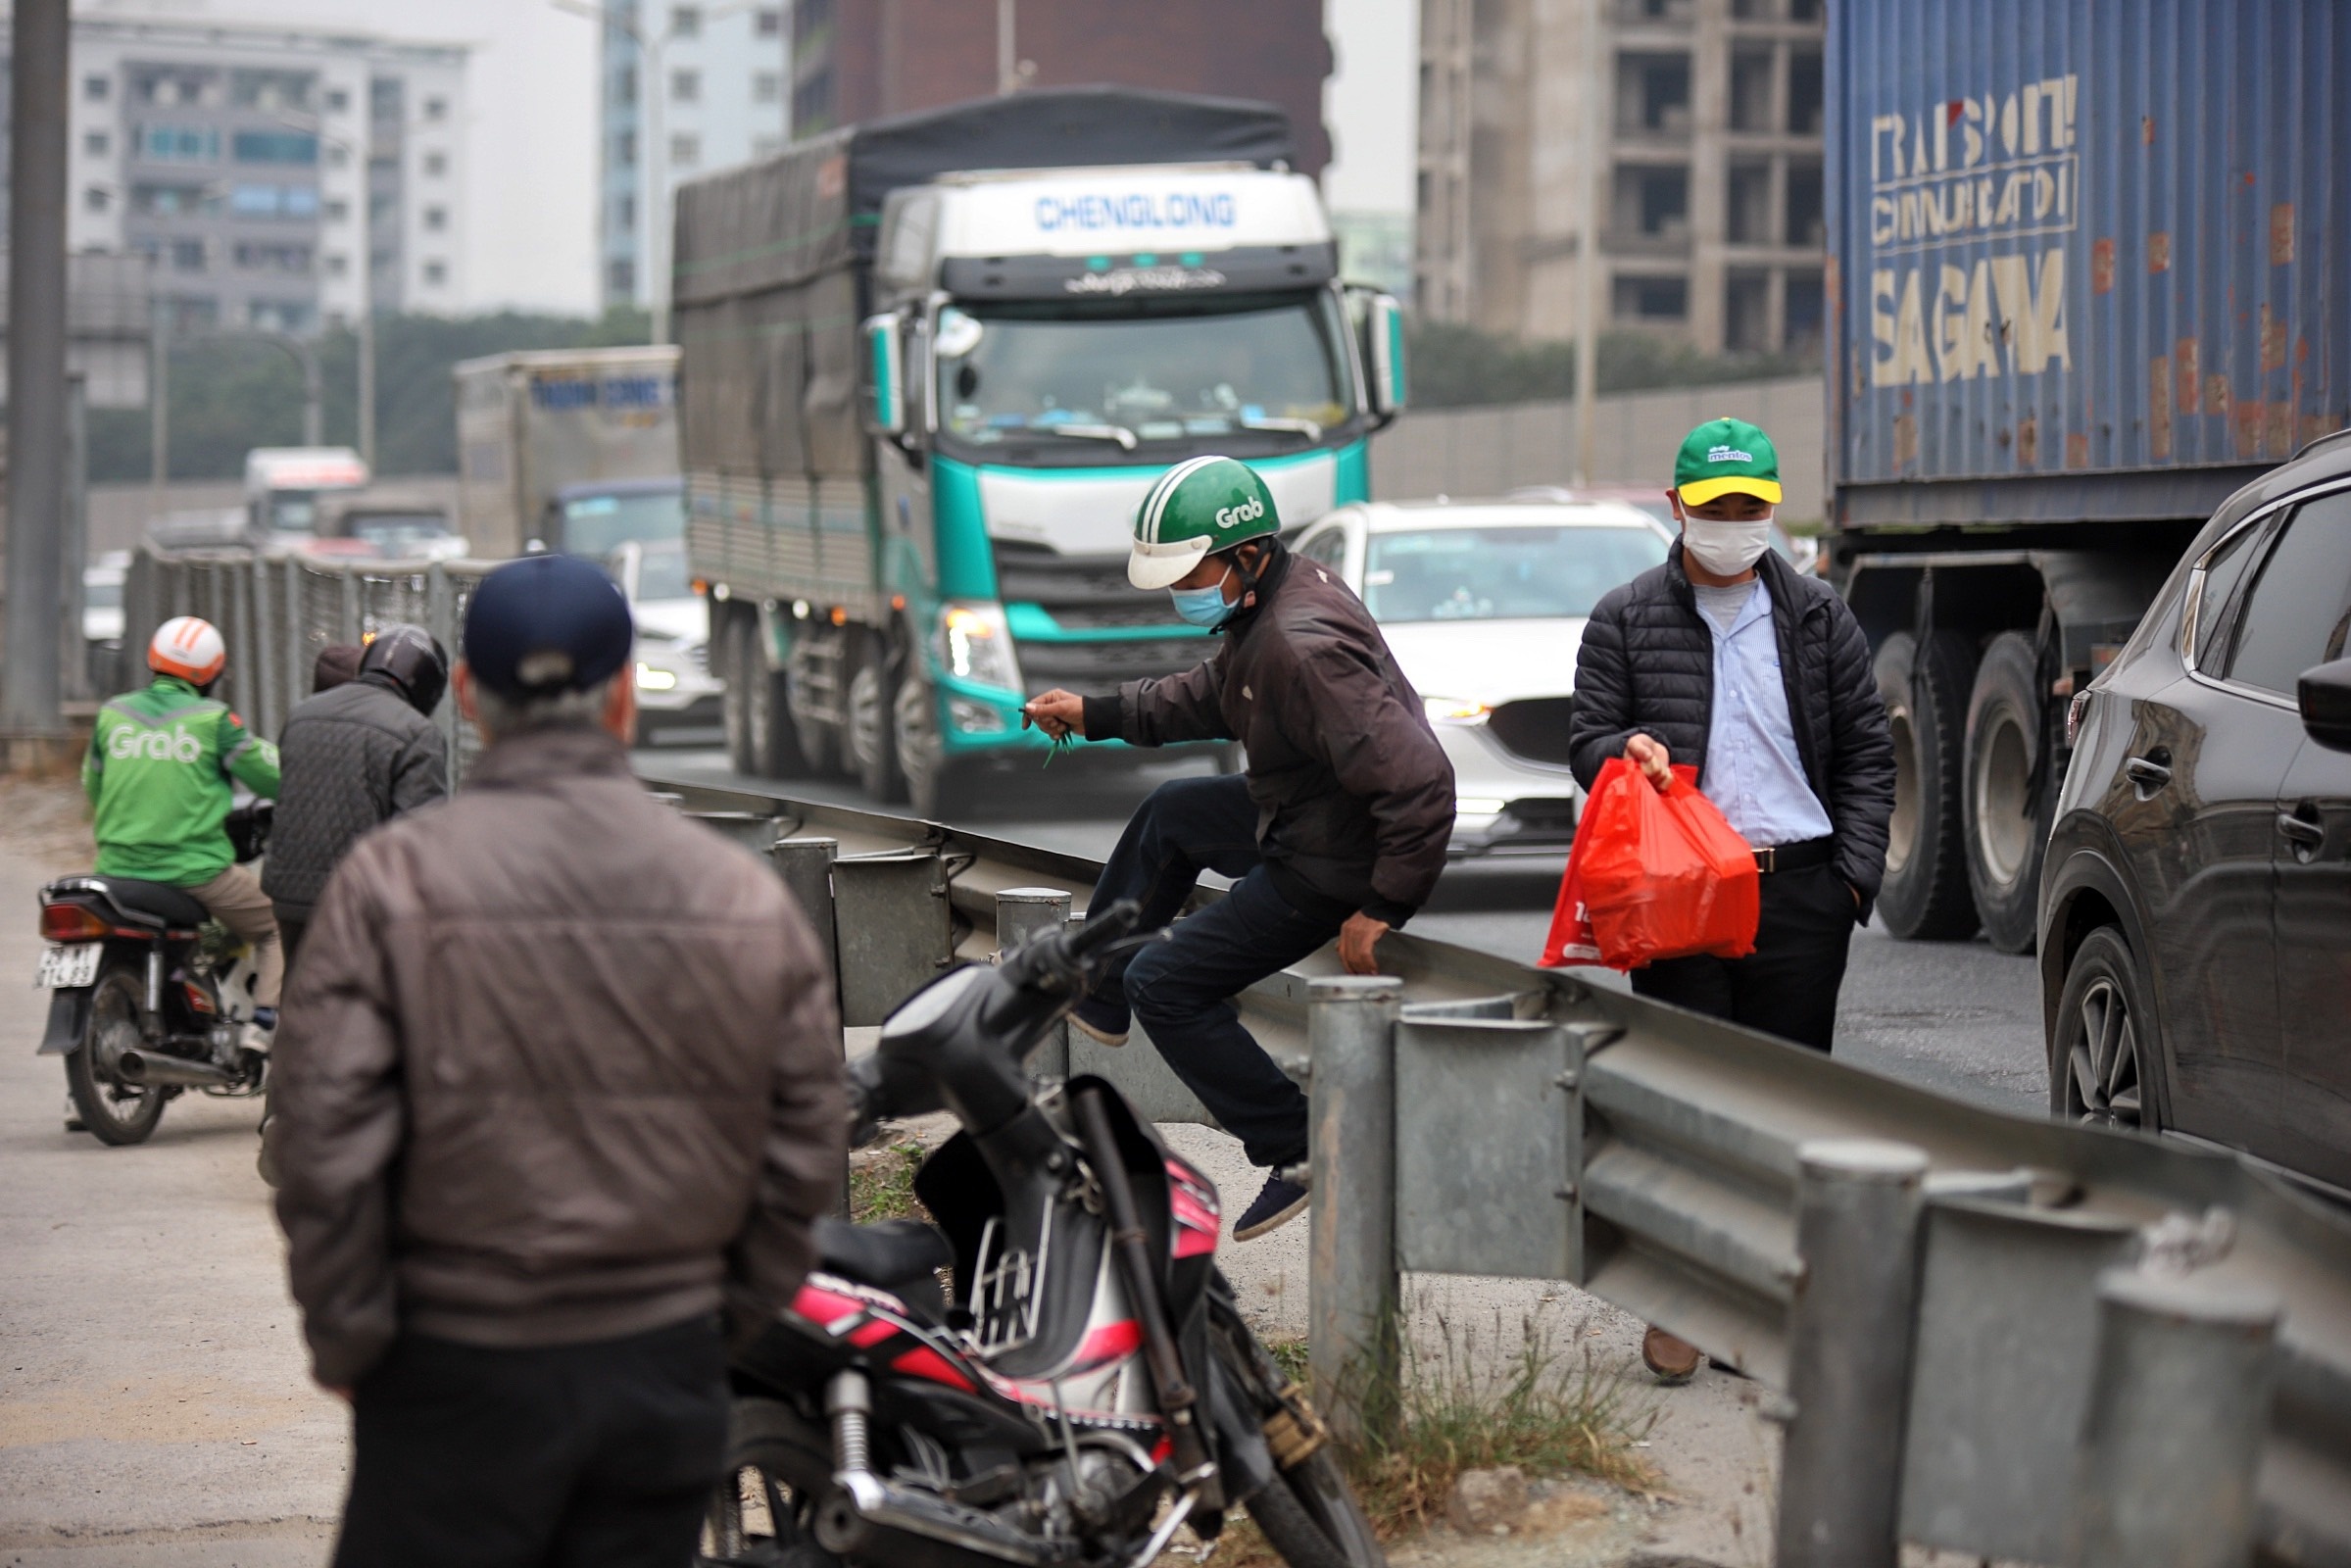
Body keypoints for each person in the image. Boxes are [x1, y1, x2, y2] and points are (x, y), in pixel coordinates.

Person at [270, 553, 847, 1568]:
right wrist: (713, 1326)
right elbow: (804, 1146)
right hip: (659, 1373)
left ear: (466, 698)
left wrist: (353, 1336)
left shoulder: (390, 885)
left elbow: (322, 1136)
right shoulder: (735, 896)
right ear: (625, 693)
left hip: (448, 1368)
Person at [1023, 456, 1455, 1242]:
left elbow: (1422, 780)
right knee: (1175, 812)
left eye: (1192, 570)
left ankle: (1298, 1146)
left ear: (1247, 555)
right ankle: (1099, 986)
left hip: (1329, 863)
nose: (1179, 588)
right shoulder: (1270, 605)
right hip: (1303, 812)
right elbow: (1212, 696)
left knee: (1169, 984)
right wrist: (1098, 712)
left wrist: (1382, 904)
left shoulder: (1298, 644)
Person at [1567, 416, 1895, 1380]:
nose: (1731, 523)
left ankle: (1759, 1308)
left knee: (1781, 1113)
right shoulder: (1623, 616)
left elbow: (1868, 758)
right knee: (1684, 1104)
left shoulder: (1817, 616)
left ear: (1771, 507)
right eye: (1713, 509)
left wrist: (1849, 878)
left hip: (1799, 890)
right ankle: (1680, 1298)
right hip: (1677, 892)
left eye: (1749, 506)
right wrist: (1619, 752)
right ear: (1676, 510)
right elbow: (1584, 740)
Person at [82, 615, 284, 1028]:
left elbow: (93, 785)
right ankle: (265, 1027)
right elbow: (276, 778)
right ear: (212, 673)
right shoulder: (213, 721)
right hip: (195, 871)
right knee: (275, 925)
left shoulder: (112, 714)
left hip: (117, 867)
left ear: (152, 660)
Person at [263, 625, 451, 970]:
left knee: (300, 1002)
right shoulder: (417, 733)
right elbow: (418, 838)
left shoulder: (303, 714)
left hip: (288, 895)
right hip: (359, 903)